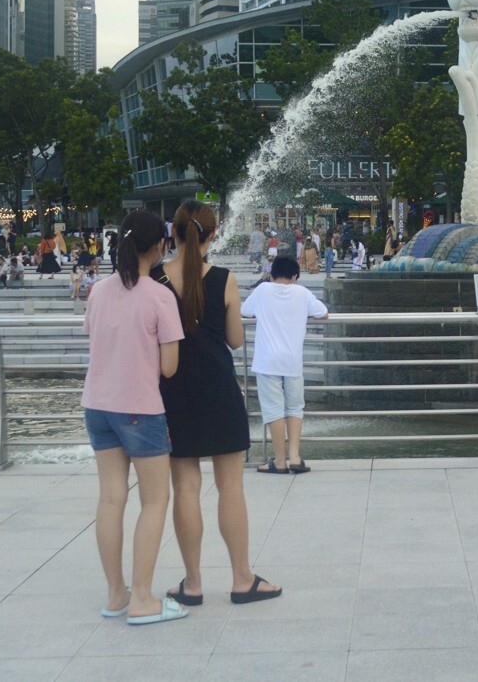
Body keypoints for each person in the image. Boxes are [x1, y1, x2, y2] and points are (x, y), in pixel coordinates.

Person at [153, 201, 283, 609]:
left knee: (185, 487)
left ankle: (192, 584)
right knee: (231, 488)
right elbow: (235, 339)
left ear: (172, 234)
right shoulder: (224, 279)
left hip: (172, 391)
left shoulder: (155, 279)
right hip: (219, 390)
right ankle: (242, 579)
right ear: (212, 235)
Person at [81, 209, 188, 625]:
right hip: (140, 410)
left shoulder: (99, 290)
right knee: (155, 500)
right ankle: (143, 598)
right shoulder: (159, 296)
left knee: (110, 498)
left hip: (97, 406)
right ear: (159, 246)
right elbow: (169, 367)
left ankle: (116, 595)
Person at [241, 255, 329, 474]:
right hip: (292, 361)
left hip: (267, 360)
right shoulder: (302, 293)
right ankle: (295, 457)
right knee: (295, 407)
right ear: (295, 276)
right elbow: (323, 314)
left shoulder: (262, 291)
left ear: (271, 275)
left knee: (273, 410)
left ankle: (279, 461)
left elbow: (244, 311)